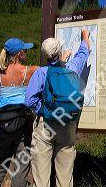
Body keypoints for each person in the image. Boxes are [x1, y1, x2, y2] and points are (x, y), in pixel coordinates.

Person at [25, 29, 90, 187]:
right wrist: (85, 37)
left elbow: (29, 101)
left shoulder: (41, 73)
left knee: (41, 179)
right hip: (67, 125)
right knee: (65, 177)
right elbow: (83, 53)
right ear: (60, 52)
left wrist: (44, 109)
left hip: (45, 126)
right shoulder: (72, 68)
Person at [0, 38, 38, 187]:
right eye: (25, 50)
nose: (26, 52)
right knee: (21, 164)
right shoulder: (30, 71)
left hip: (2, 127)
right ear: (20, 53)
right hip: (23, 125)